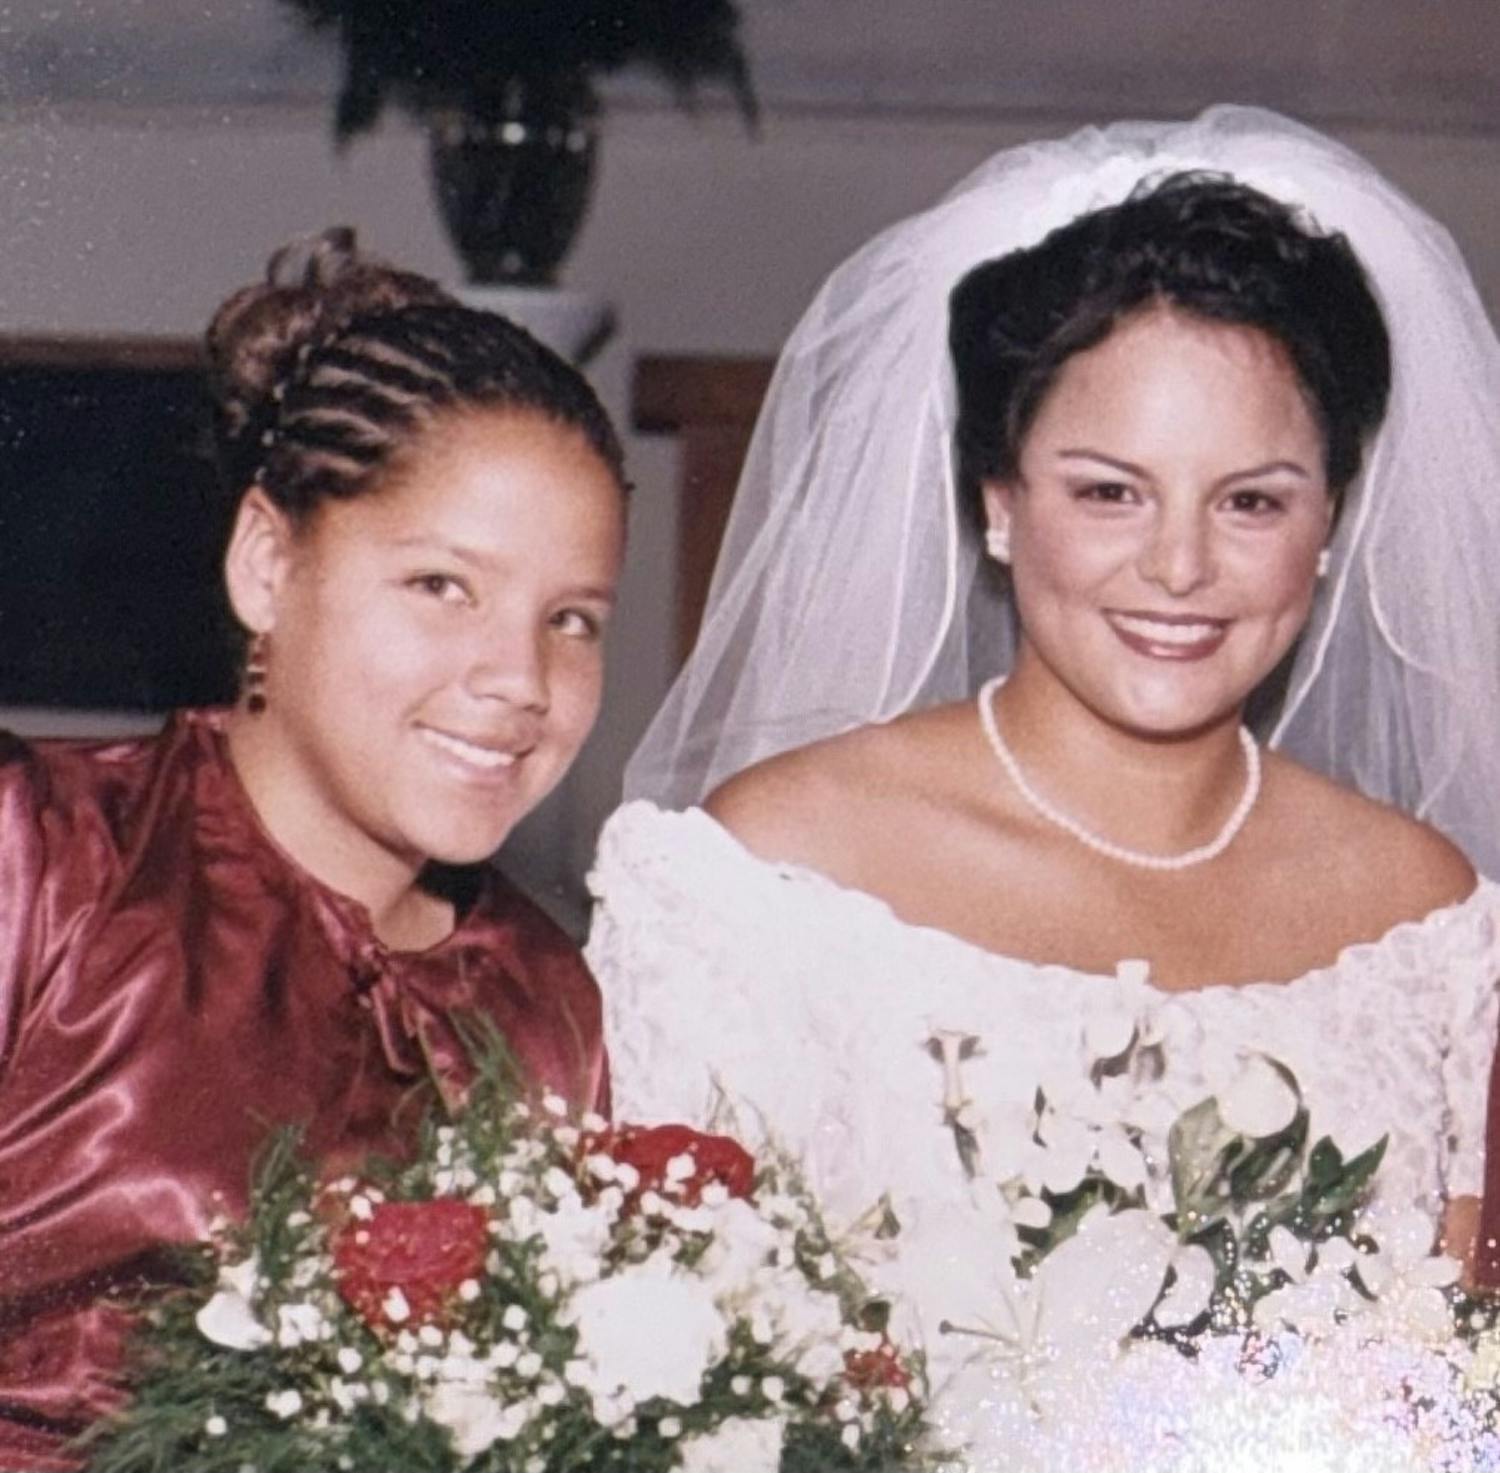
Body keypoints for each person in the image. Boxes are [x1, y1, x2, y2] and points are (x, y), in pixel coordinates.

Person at [586, 108, 1500, 1465]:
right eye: (1110, 492)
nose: (1179, 568)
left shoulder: (1425, 914)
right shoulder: (774, 871)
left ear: (1329, 524)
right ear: (1000, 503)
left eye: (1251, 501)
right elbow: (664, 1378)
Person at [0, 229, 628, 1469]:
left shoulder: (548, 1005)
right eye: (442, 586)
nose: (521, 679)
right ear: (267, 564)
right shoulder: (46, 863)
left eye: (572, 620)